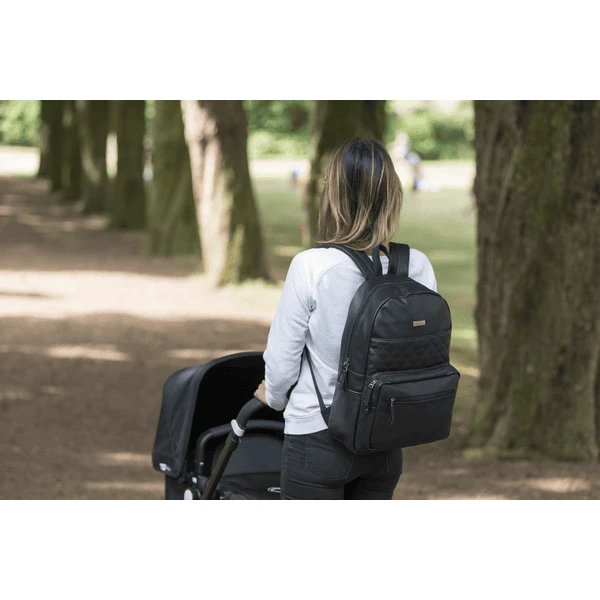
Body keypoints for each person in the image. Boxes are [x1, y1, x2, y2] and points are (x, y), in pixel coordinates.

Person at [253, 136, 438, 500]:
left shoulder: (313, 266)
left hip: (316, 437)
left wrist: (272, 398)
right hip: (385, 440)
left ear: (334, 196)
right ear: (393, 195)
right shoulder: (416, 266)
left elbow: (282, 364)